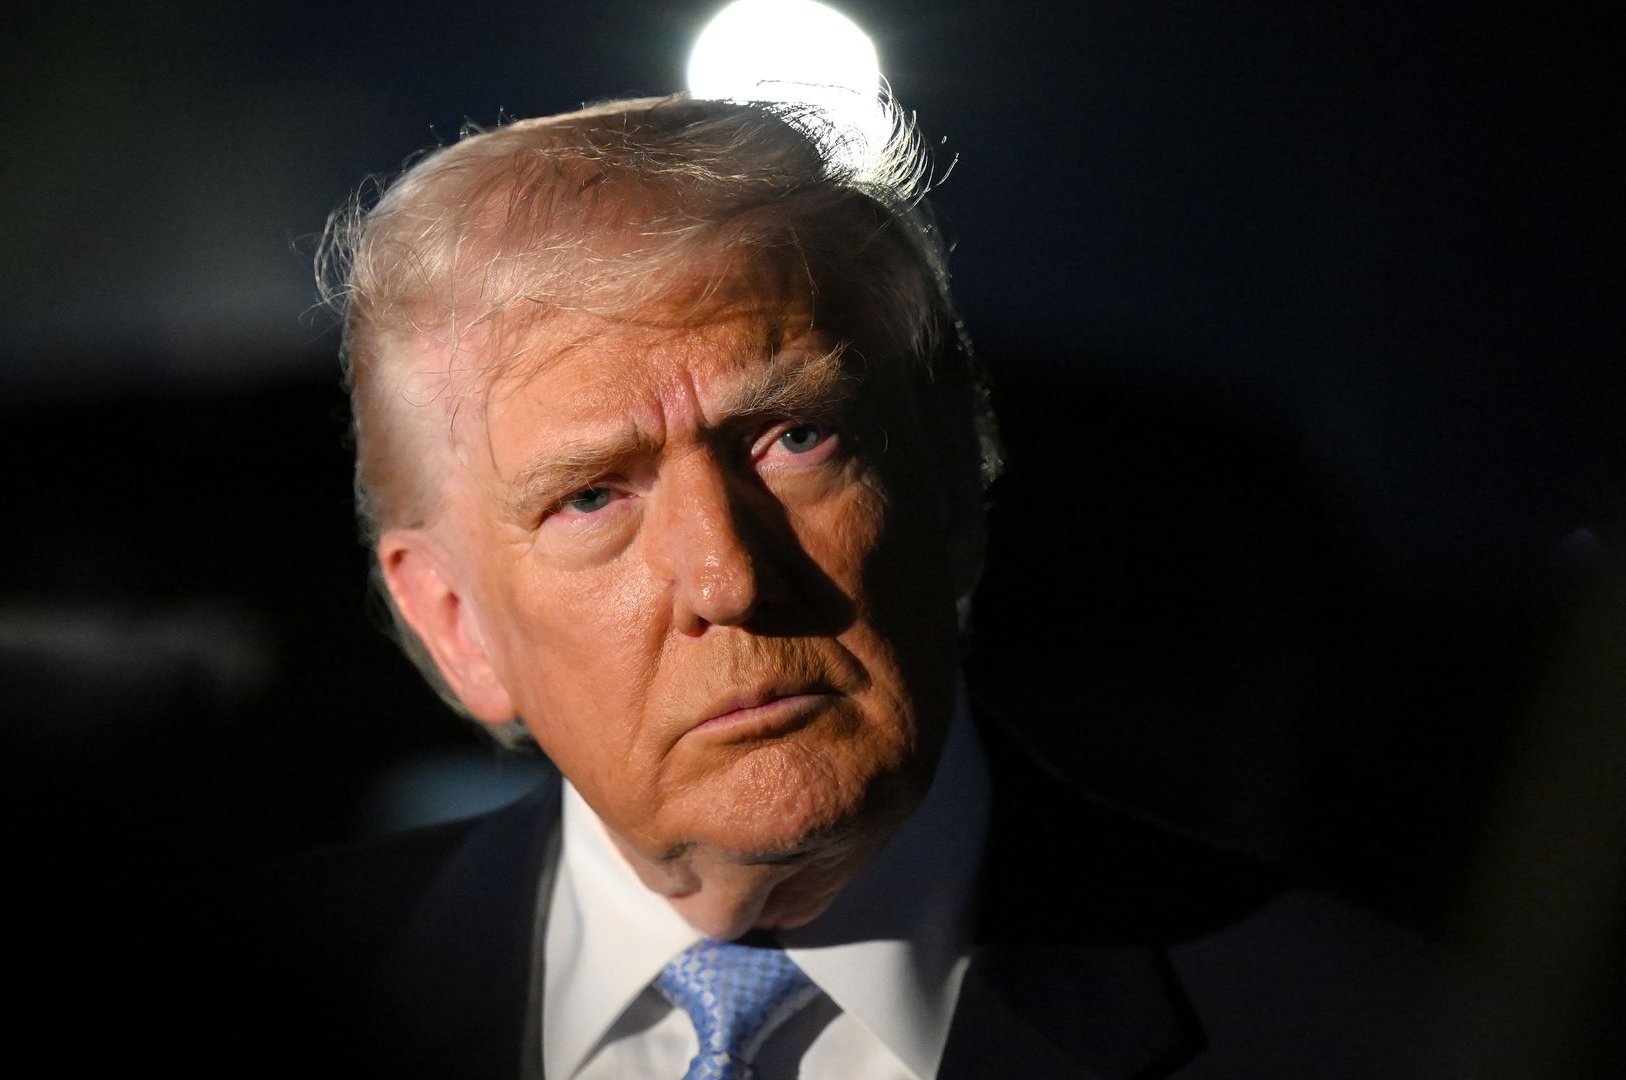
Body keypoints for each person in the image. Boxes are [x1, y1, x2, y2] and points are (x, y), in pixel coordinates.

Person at [238, 96, 1464, 1078]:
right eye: (593, 498)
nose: (724, 576)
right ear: (455, 625)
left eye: (792, 439)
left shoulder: (1394, 1037)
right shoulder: (204, 1019)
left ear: (951, 484)